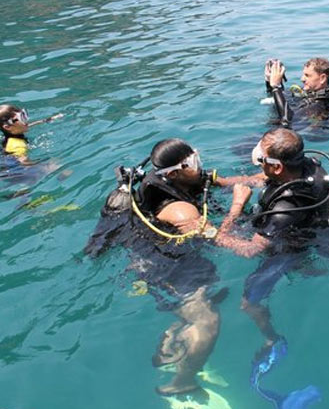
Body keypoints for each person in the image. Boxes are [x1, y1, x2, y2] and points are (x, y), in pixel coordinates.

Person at [216, 128, 329, 408]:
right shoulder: (308, 164)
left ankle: (273, 341)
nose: (259, 165)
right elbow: (264, 178)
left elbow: (250, 250)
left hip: (294, 244)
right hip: (321, 224)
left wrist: (234, 209)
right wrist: (225, 182)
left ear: (277, 167)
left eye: (262, 160)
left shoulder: (283, 210)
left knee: (247, 303)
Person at [85, 138, 249, 396]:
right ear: (174, 172)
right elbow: (237, 247)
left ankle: (173, 346)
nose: (199, 163)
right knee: (207, 319)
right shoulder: (181, 212)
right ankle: (181, 382)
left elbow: (228, 182)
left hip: (165, 255)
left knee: (200, 306)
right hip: (167, 267)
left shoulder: (174, 177)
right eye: (193, 161)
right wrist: (238, 205)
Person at [263, 57, 329, 139]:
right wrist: (269, 81)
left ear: (322, 78)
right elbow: (279, 100)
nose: (302, 79)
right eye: (303, 74)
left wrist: (276, 86)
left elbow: (287, 120)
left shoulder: (322, 102)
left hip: (302, 136)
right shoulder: (308, 93)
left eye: (307, 75)